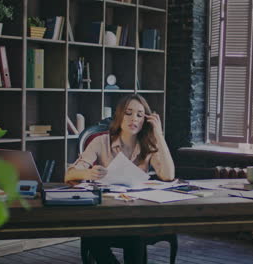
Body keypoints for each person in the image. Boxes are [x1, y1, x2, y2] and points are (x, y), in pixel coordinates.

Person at [65, 94, 175, 263]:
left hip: (135, 213)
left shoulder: (148, 143)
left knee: (135, 235)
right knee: (92, 235)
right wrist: (88, 173)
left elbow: (168, 175)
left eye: (139, 115)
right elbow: (70, 174)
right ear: (119, 115)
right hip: (105, 213)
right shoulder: (100, 141)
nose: (134, 119)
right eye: (128, 113)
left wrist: (158, 135)